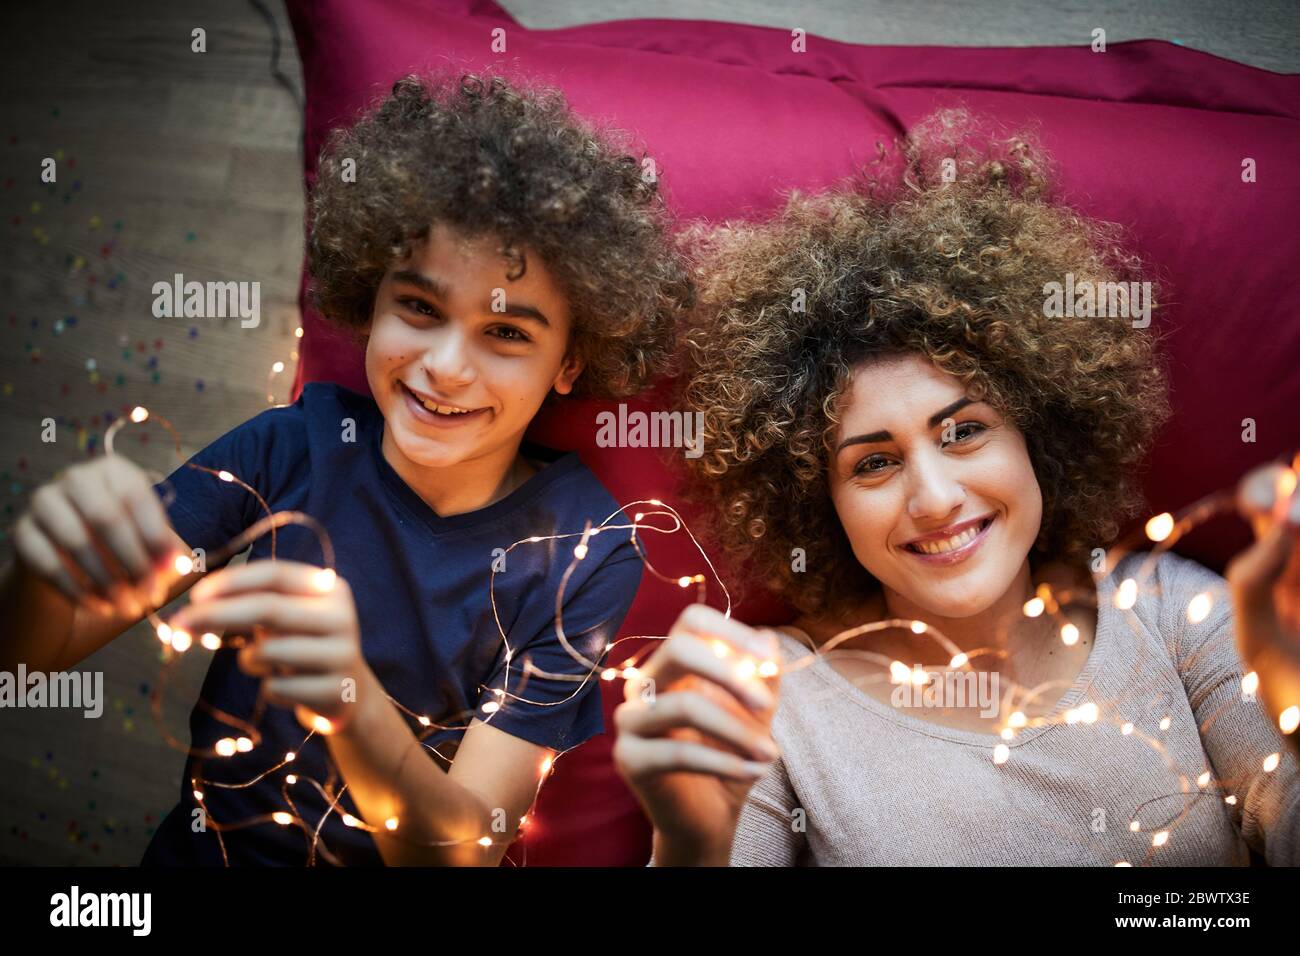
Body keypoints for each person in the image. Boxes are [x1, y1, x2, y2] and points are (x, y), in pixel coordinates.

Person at [0, 73, 691, 866]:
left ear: (570, 359)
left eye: (504, 332)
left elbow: (461, 852)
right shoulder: (289, 450)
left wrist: (349, 700)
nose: (447, 369)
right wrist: (40, 572)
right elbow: (28, 658)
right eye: (421, 310)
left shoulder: (584, 550)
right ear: (371, 300)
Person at [614, 113, 1300, 866]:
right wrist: (690, 844)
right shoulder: (774, 695)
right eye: (873, 464)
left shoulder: (1169, 611)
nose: (935, 498)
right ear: (818, 502)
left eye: (965, 431)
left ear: (1037, 431)